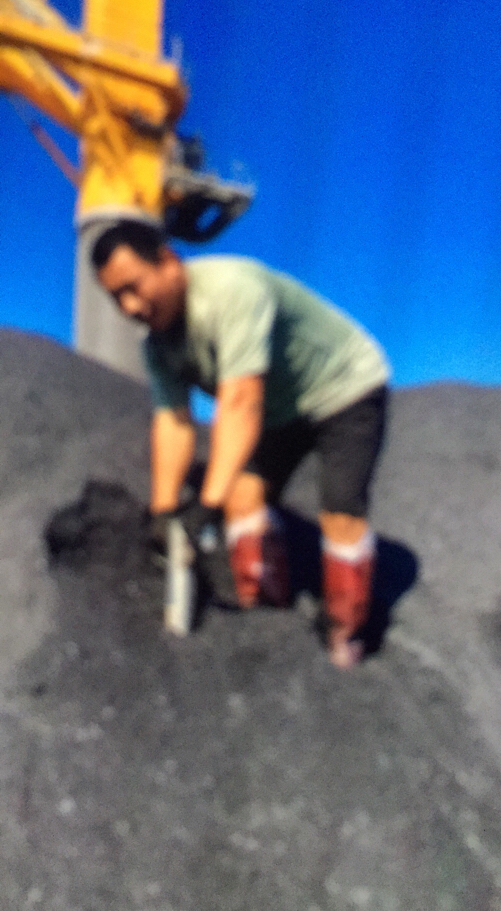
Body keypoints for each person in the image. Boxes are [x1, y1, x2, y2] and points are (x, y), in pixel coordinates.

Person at [91, 220, 390, 668]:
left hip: (344, 388)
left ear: (168, 261)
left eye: (133, 287)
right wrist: (163, 511)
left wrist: (205, 505)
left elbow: (240, 401)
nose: (129, 306)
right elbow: (173, 422)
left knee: (340, 512)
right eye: (116, 297)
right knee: (242, 498)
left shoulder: (231, 291)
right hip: (279, 410)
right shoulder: (157, 347)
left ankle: (344, 637)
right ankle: (267, 617)